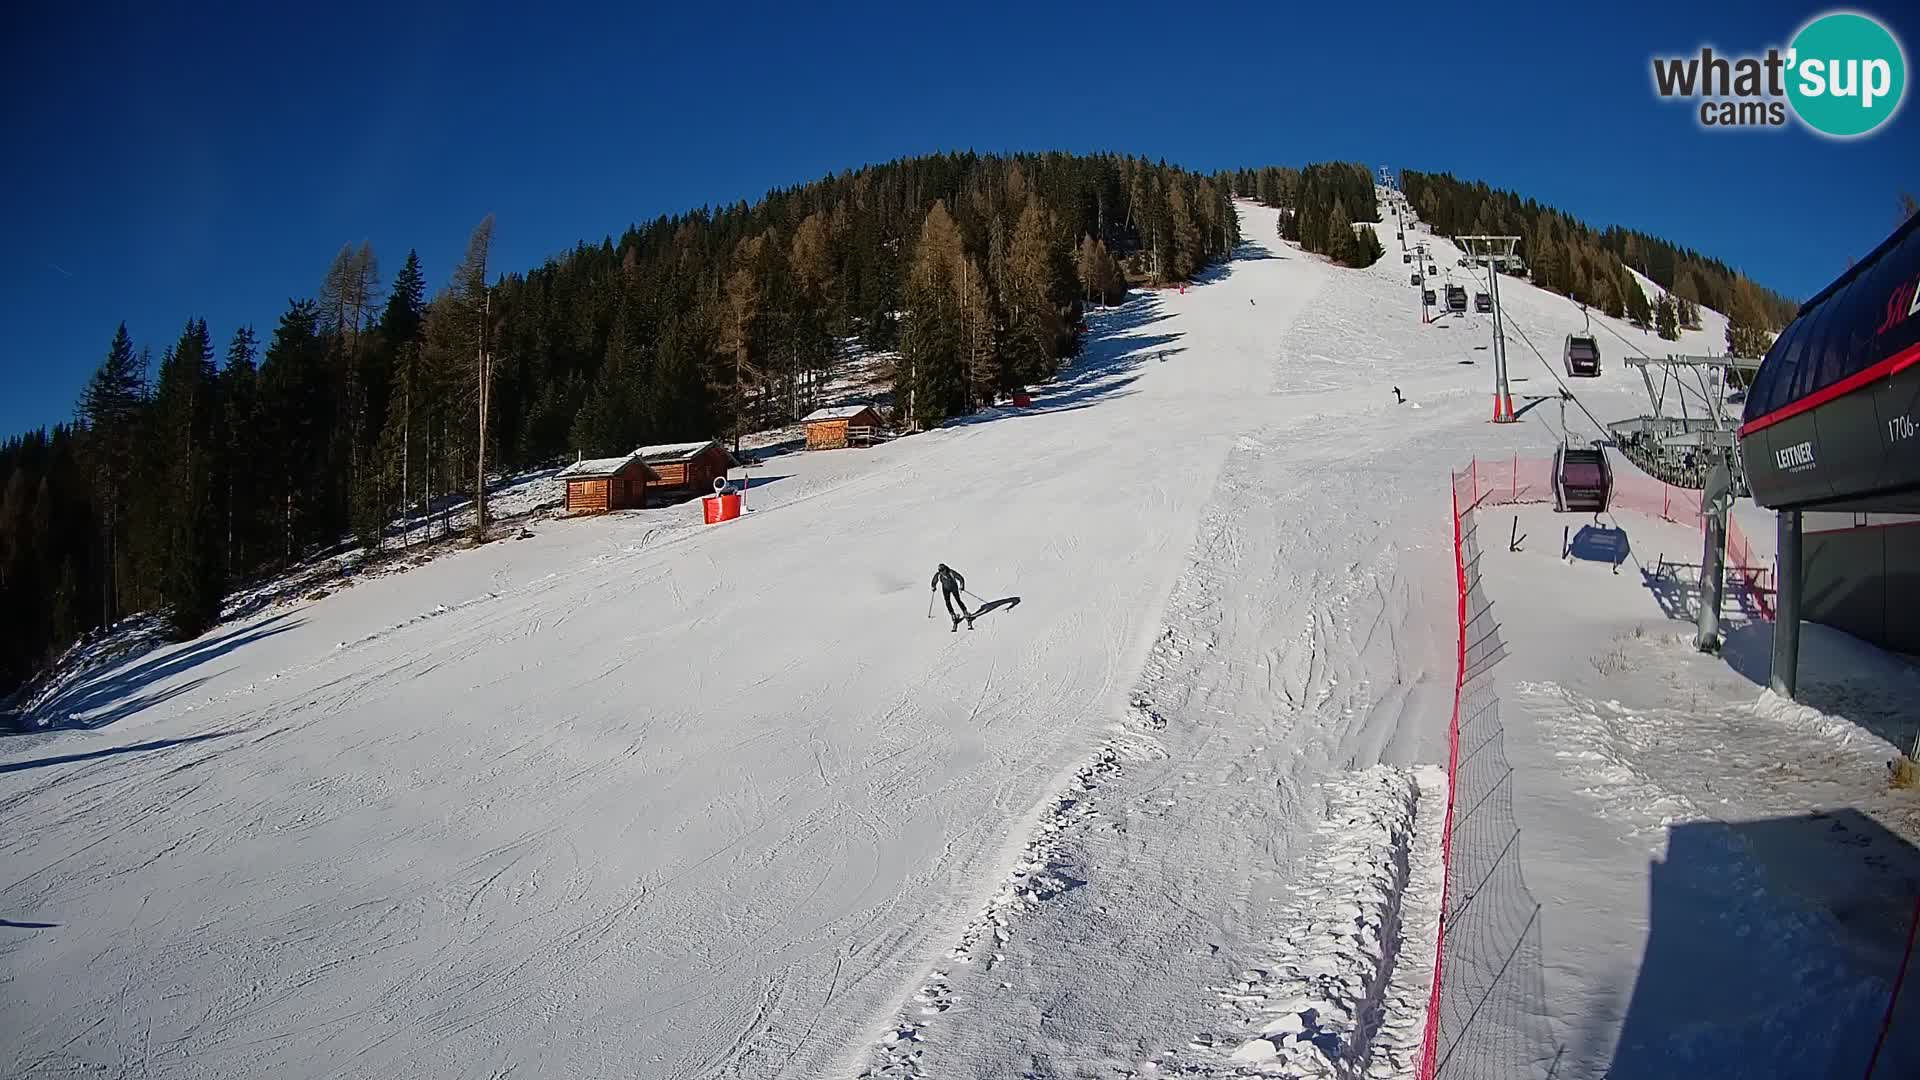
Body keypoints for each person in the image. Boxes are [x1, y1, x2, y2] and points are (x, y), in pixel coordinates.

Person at [931, 563, 973, 631]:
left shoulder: (951, 572)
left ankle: (965, 612)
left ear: (945, 569)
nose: (941, 572)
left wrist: (962, 585)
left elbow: (960, 577)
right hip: (945, 589)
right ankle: (953, 615)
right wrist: (933, 586)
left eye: (942, 570)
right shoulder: (939, 574)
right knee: (947, 602)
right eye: (940, 570)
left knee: (958, 600)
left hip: (954, 587)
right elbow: (934, 580)